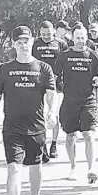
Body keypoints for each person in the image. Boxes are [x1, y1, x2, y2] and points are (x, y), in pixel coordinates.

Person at [0, 25, 57, 195]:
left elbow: (52, 94)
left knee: (35, 167)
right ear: (13, 44)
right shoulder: (5, 69)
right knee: (13, 167)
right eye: (18, 42)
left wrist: (52, 112)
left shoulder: (43, 68)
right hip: (12, 127)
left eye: (25, 41)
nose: (22, 45)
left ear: (32, 42)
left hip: (36, 127)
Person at [53, 25, 98, 182]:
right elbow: (54, 75)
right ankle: (73, 167)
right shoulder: (64, 56)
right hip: (69, 100)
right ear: (72, 38)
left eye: (83, 38)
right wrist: (56, 88)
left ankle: (91, 168)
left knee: (89, 134)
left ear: (87, 37)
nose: (80, 41)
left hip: (88, 99)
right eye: (77, 38)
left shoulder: (93, 55)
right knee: (70, 136)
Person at [32, 21, 68, 159]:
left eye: (48, 34)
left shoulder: (61, 44)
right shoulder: (35, 44)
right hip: (38, 84)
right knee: (40, 115)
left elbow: (66, 63)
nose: (46, 37)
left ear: (54, 31)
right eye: (43, 34)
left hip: (57, 85)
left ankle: (54, 143)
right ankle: (43, 146)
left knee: (54, 114)